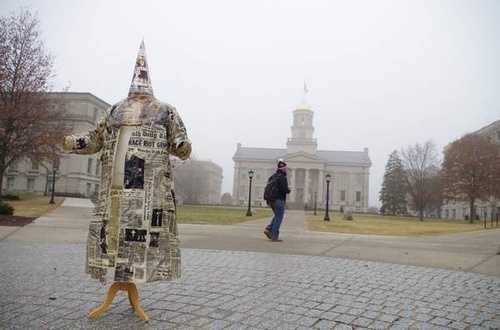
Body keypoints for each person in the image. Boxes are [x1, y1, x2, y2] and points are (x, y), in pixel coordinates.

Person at [264, 159, 291, 242]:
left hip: (271, 200)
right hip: (279, 200)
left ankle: (268, 229)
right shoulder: (282, 177)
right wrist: (288, 190)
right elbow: (284, 189)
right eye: (285, 168)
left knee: (277, 216)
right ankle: (274, 236)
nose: (286, 170)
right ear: (283, 168)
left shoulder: (273, 176)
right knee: (279, 217)